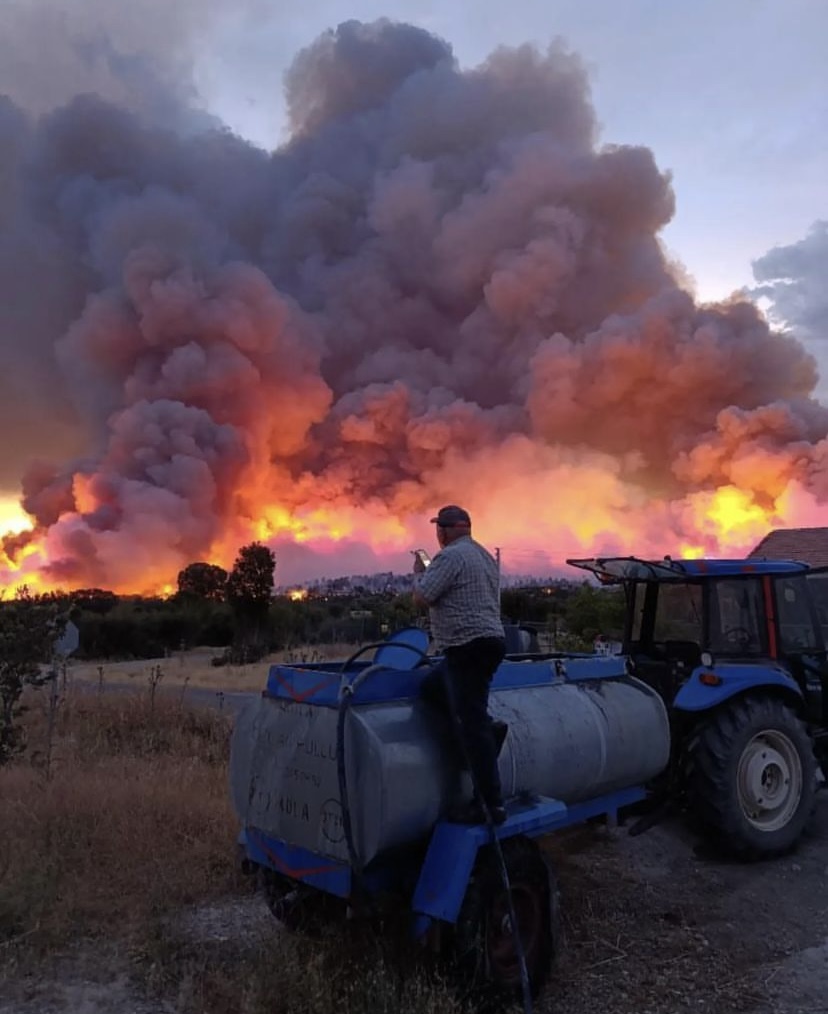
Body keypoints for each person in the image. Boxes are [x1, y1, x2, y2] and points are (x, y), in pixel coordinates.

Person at [412, 504, 508, 825]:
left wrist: (419, 572)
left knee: (472, 722)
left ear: (446, 530)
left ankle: (490, 805)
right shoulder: (483, 556)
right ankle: (487, 732)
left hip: (468, 646)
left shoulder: (450, 556)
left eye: (439, 528)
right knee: (431, 688)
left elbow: (422, 597)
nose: (437, 534)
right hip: (487, 642)